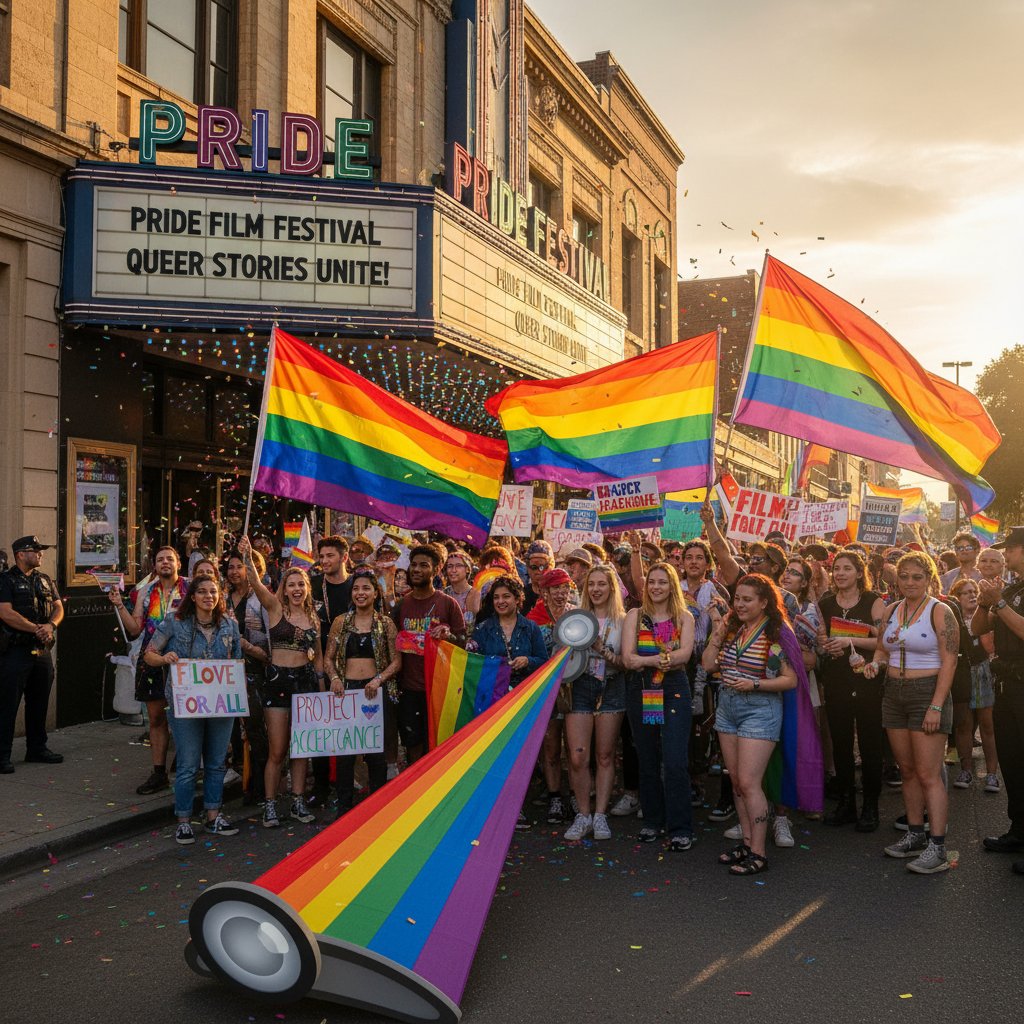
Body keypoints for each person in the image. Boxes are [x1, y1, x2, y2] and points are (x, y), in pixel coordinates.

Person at [865, 552, 958, 873]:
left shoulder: (940, 611)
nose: (909, 582)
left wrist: (936, 704)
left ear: (930, 578)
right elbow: (881, 647)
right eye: (904, 576)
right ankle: (915, 834)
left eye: (917, 577)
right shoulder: (891, 610)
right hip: (894, 694)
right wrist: (875, 664)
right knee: (906, 770)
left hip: (926, 693)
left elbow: (950, 661)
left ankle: (938, 846)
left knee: (928, 774)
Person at [702, 574, 798, 875]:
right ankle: (745, 842)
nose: (739, 605)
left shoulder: (777, 632)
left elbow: (791, 679)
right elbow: (708, 665)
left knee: (748, 782)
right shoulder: (733, 628)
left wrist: (754, 684)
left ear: (764, 602)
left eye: (747, 600)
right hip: (728, 707)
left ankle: (758, 852)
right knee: (735, 781)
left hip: (760, 708)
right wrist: (717, 634)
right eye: (737, 599)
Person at [142, 572, 242, 844]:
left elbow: (237, 664)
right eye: (203, 592)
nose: (209, 596)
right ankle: (184, 820)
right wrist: (164, 658)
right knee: (187, 764)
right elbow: (148, 654)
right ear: (193, 596)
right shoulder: (175, 622)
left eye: (213, 592)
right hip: (185, 705)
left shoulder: (229, 626)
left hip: (220, 705)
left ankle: (213, 816)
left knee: (216, 763)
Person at [238, 535, 322, 828]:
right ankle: (271, 805)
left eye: (301, 584)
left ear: (307, 589)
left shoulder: (314, 618)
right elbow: (256, 584)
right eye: (292, 584)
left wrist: (324, 688)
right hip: (278, 683)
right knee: (278, 750)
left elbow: (320, 658)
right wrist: (248, 557)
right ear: (284, 589)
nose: (297, 589)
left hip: (306, 683)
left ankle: (298, 802)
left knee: (302, 749)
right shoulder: (275, 609)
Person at [622, 561, 696, 851]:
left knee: (675, 761)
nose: (656, 587)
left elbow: (684, 655)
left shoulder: (684, 617)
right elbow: (629, 660)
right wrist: (656, 660)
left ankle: (681, 827)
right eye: (651, 581)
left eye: (662, 582)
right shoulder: (634, 615)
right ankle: (652, 821)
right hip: (642, 690)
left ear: (672, 585)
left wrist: (647, 660)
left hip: (674, 690)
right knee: (648, 758)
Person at [109, 545, 188, 795]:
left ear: (178, 564)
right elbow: (134, 629)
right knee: (156, 718)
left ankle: (190, 766)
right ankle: (158, 773)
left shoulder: (190, 588)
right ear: (154, 566)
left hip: (183, 660)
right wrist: (119, 605)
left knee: (187, 718)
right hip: (152, 660)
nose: (165, 562)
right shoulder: (146, 592)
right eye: (160, 559)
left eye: (170, 559)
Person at [816, 550, 886, 831]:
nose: (840, 573)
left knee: (870, 744)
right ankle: (846, 803)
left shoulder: (874, 601)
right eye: (836, 568)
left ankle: (870, 806)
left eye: (847, 568)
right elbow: (821, 638)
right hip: (836, 679)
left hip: (867, 678)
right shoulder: (825, 603)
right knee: (841, 743)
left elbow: (883, 642)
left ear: (860, 573)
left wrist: (847, 640)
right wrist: (828, 646)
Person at [324, 569, 401, 817]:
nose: (360, 593)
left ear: (375, 592)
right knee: (346, 753)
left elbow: (396, 662)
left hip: (374, 694)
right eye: (356, 589)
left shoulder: (386, 623)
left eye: (366, 588)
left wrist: (378, 680)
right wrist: (335, 678)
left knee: (376, 753)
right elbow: (328, 659)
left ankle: (375, 807)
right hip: (347, 693)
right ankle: (344, 807)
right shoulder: (340, 622)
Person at [973, 527, 1024, 874]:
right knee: (1013, 761)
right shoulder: (1012, 586)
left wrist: (1000, 602)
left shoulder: (1009, 594)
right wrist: (984, 601)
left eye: (1012, 549)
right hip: (1005, 684)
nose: (1006, 555)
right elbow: (978, 628)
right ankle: (1018, 830)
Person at [563, 564, 627, 841]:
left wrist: (604, 651)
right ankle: (583, 815)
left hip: (612, 687)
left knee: (604, 755)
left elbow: (628, 663)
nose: (596, 589)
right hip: (580, 687)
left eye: (602, 584)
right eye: (591, 584)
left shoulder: (625, 621)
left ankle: (600, 815)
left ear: (612, 588)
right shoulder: (575, 618)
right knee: (578, 757)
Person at [392, 545, 466, 766]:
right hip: (409, 689)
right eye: (413, 565)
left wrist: (448, 635)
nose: (416, 569)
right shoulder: (401, 605)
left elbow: (464, 644)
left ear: (437, 570)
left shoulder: (448, 604)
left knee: (439, 745)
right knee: (412, 744)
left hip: (440, 689)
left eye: (424, 565)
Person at [0, 536, 64, 772]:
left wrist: (51, 626)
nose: (40, 553)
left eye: (40, 550)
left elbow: (58, 607)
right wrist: (37, 628)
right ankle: (2, 755)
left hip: (41, 651)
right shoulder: (6, 580)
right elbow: (5, 613)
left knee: (39, 702)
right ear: (20, 554)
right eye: (35, 550)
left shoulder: (45, 580)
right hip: (15, 651)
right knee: (7, 704)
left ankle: (36, 748)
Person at [309, 535, 354, 806]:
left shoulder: (357, 586)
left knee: (350, 725)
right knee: (320, 726)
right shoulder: (313, 585)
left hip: (353, 664)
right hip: (318, 663)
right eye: (321, 556)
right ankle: (322, 785)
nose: (324, 562)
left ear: (344, 558)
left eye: (330, 556)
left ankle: (347, 783)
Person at [224, 549, 271, 803]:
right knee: (230, 732)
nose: (234, 571)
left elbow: (271, 647)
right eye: (230, 567)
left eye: (239, 566)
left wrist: (249, 647)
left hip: (254, 671)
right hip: (225, 673)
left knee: (255, 730)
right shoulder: (222, 598)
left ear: (254, 569)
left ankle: (260, 787)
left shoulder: (261, 600)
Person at [530, 567, 574, 822]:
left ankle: (577, 797)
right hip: (546, 691)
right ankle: (556, 797)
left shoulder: (579, 615)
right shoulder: (533, 619)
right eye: (555, 588)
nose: (561, 593)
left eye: (565, 587)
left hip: (574, 689)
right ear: (543, 592)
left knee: (577, 748)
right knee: (551, 747)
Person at [948, 578, 999, 792]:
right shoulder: (951, 619)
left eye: (974, 591)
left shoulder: (986, 618)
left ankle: (992, 774)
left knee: (987, 725)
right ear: (956, 598)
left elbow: (991, 648)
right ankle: (966, 770)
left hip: (983, 671)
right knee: (963, 725)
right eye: (965, 592)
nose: (971, 595)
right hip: (960, 674)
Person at [470, 575, 547, 688]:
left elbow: (544, 660)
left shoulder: (531, 628)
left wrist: (527, 661)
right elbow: (474, 664)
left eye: (506, 596)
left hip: (525, 693)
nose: (500, 601)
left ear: (517, 599)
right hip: (492, 693)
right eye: (496, 597)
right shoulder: (482, 629)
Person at [522, 541, 555, 614]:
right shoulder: (522, 594)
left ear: (550, 566)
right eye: (533, 567)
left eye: (542, 567)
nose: (537, 572)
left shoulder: (557, 593)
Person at [443, 550, 474, 622]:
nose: (453, 570)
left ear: (467, 569)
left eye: (458, 566)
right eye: (450, 566)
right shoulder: (443, 594)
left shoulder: (476, 595)